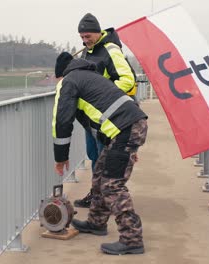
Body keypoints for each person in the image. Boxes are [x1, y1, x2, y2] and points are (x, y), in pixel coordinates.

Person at [52, 52, 148, 255]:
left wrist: (60, 157)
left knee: (112, 185)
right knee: (100, 175)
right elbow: (103, 117)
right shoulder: (92, 76)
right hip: (126, 128)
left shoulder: (68, 81)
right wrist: (132, 146)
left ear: (60, 75)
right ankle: (96, 222)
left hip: (125, 130)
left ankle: (132, 239)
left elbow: (61, 120)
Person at [74, 13, 139, 208]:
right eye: (82, 37)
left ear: (97, 32)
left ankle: (103, 200)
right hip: (92, 115)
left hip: (109, 115)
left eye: (88, 36)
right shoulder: (88, 51)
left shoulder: (110, 49)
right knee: (94, 155)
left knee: (105, 158)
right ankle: (97, 195)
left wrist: (103, 97)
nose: (85, 41)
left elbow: (128, 80)